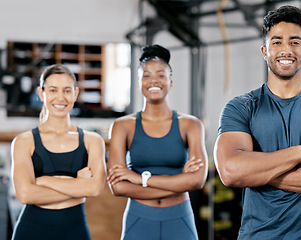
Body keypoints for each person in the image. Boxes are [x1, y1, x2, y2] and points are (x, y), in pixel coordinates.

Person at [214, 5, 301, 239]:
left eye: (295, 42)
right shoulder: (241, 107)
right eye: (277, 42)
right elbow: (231, 171)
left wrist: (259, 173)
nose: (286, 50)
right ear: (264, 50)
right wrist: (300, 154)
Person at [107, 44, 208, 240]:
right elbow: (118, 187)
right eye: (146, 75)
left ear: (171, 82)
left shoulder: (191, 125)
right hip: (139, 220)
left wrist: (139, 179)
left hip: (180, 220)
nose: (154, 80)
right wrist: (179, 182)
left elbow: (197, 180)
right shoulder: (122, 126)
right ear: (138, 83)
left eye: (161, 75)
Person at [11, 64, 106, 240]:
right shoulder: (24, 142)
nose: (60, 98)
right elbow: (25, 194)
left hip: (74, 230)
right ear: (41, 93)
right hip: (32, 230)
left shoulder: (93, 141)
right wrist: (77, 186)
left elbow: (94, 188)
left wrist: (43, 181)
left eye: (67, 91)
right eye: (53, 90)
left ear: (75, 94)